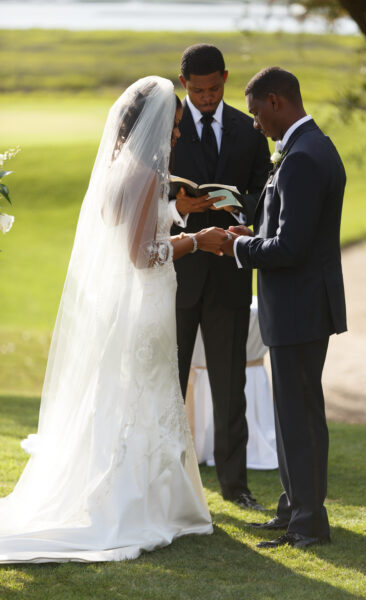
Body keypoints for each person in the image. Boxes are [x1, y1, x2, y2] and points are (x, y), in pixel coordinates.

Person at [0, 76, 228, 563]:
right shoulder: (144, 175)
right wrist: (198, 240)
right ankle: (137, 506)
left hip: (135, 305)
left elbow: (134, 227)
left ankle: (147, 498)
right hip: (145, 304)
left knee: (132, 398)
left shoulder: (119, 168)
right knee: (144, 398)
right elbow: (142, 255)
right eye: (175, 126)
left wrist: (173, 208)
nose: (178, 136)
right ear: (158, 122)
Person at [223, 67, 347, 548]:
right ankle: (295, 509)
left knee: (298, 416)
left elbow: (290, 248)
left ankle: (307, 524)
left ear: (276, 101)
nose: (255, 124)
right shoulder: (312, 146)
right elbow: (290, 234)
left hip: (299, 307)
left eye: (256, 113)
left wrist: (238, 249)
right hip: (302, 306)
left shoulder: (301, 157)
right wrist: (252, 237)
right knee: (296, 413)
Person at [170, 44, 271, 510]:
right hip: (175, 276)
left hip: (230, 274)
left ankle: (235, 485)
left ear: (226, 78)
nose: (207, 98)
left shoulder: (249, 131)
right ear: (184, 82)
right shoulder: (165, 129)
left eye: (214, 89)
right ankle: (168, 481)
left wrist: (239, 211)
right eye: (198, 90)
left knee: (231, 385)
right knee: (167, 381)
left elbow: (265, 196)